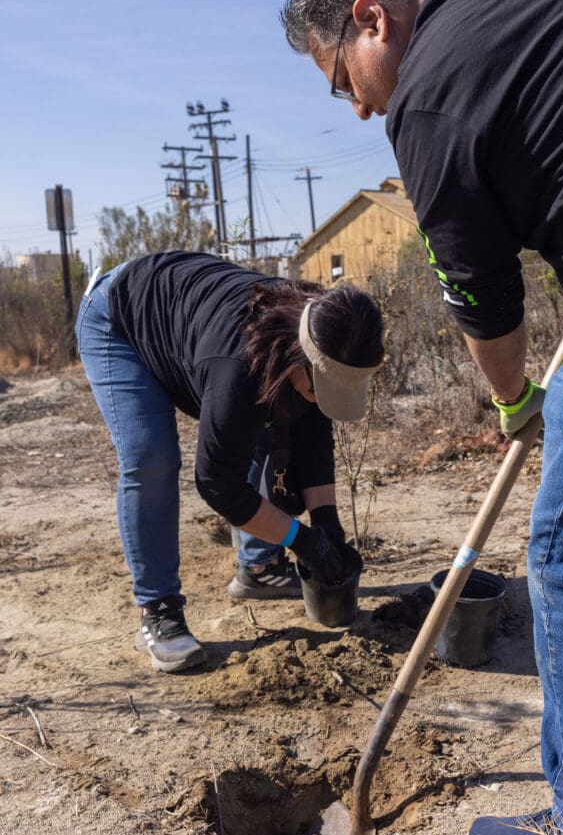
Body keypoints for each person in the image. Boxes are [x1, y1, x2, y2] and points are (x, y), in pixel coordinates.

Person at [282, 0, 563, 835]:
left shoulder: (426, 95)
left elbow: (483, 300)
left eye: (341, 75)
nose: (355, 101)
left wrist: (513, 403)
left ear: (371, 19)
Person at [75, 250, 383, 673]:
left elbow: (313, 431)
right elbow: (218, 482)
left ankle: (259, 568)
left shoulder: (330, 327)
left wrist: (327, 520)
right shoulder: (235, 365)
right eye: (319, 386)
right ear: (299, 357)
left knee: (282, 418)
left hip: (188, 317)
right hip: (119, 320)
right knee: (152, 458)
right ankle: (158, 609)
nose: (320, 396)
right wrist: (302, 539)